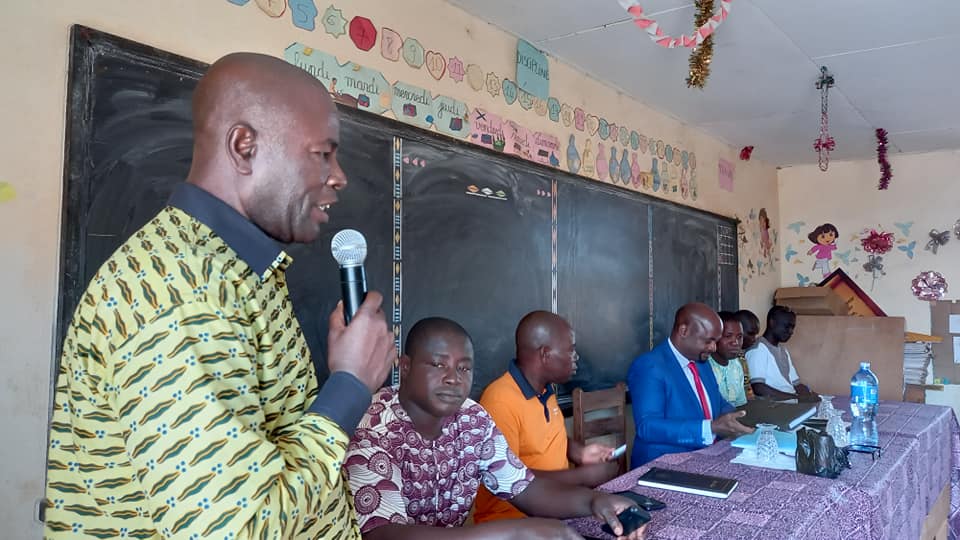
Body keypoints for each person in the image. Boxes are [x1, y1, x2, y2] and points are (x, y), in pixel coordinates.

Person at [44, 53, 396, 538]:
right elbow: (236, 528)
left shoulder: (235, 271)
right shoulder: (176, 289)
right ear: (244, 147)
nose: (339, 176)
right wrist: (349, 387)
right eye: (322, 154)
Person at [346, 318, 647, 540]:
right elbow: (382, 535)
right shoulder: (372, 426)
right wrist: (514, 533)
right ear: (406, 367)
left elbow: (526, 489)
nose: (453, 378)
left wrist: (594, 501)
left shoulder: (472, 419)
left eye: (464, 368)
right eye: (438, 365)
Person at [473, 311, 619, 524]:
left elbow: (544, 438)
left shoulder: (545, 391)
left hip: (556, 509)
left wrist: (580, 453)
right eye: (571, 350)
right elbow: (509, 477)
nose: (576, 357)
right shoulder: (500, 401)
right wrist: (583, 476)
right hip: (512, 522)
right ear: (545, 354)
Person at [626, 303, 754, 466]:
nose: (713, 347)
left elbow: (718, 402)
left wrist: (740, 418)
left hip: (706, 455)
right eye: (708, 341)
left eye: (715, 341)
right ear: (683, 331)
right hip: (663, 464)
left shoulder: (701, 361)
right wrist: (710, 428)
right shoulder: (650, 366)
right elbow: (648, 427)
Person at [746, 305, 818, 402]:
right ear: (772, 322)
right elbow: (758, 388)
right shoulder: (758, 349)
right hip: (774, 406)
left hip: (790, 402)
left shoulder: (783, 351)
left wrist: (811, 394)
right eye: (787, 326)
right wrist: (796, 398)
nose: (791, 331)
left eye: (792, 327)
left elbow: (797, 384)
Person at [708, 311, 748, 407]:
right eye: (728, 336)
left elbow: (740, 404)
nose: (735, 342)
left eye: (739, 337)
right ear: (714, 337)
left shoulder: (737, 365)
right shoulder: (704, 366)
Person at [734, 309, 760, 400]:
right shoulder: (728, 359)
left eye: (755, 335)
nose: (754, 339)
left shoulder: (741, 356)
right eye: (750, 334)